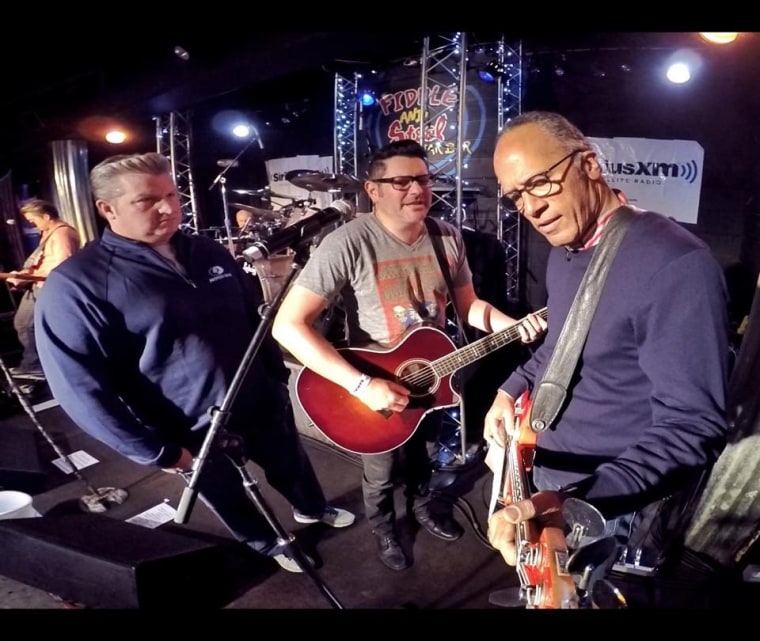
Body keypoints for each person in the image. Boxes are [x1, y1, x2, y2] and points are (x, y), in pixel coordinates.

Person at [34, 152, 355, 574]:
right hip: (188, 427)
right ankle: (266, 541)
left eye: (172, 194)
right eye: (148, 200)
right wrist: (156, 452)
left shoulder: (206, 250)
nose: (168, 208)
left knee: (290, 461)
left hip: (258, 398)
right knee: (227, 491)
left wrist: (275, 378)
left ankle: (311, 508)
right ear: (107, 209)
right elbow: (79, 389)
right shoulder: (77, 285)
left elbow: (251, 316)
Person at [483, 111, 730, 603]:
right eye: (517, 197)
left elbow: (694, 426)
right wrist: (507, 391)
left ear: (589, 165)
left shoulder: (675, 264)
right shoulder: (566, 247)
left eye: (541, 184)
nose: (531, 207)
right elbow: (561, 348)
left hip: (611, 498)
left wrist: (577, 503)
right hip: (549, 472)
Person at [272, 139, 546, 571]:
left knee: (422, 454)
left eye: (422, 179)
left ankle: (421, 506)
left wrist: (508, 325)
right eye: (401, 181)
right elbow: (287, 325)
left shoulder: (446, 236)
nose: (416, 189)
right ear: (373, 189)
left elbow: (469, 304)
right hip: (367, 385)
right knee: (380, 473)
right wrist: (362, 385)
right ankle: (383, 527)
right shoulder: (346, 242)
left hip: (431, 371)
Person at [6, 198, 80, 382]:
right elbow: (43, 263)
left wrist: (26, 277)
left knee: (24, 324)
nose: (34, 226)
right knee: (25, 324)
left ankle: (34, 365)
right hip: (39, 286)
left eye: (34, 221)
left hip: (47, 288)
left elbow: (62, 267)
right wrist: (23, 274)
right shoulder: (49, 233)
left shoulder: (62, 234)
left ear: (46, 217)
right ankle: (35, 363)